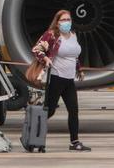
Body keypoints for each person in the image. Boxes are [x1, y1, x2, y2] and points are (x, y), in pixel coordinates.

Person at [32, 9, 91, 152]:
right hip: (56, 77)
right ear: (57, 23)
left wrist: (79, 69)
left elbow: (74, 56)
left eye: (68, 20)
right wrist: (45, 58)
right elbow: (36, 50)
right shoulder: (52, 35)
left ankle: (74, 142)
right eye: (63, 20)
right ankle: (34, 137)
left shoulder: (73, 36)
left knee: (73, 110)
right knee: (49, 111)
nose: (67, 22)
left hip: (69, 79)